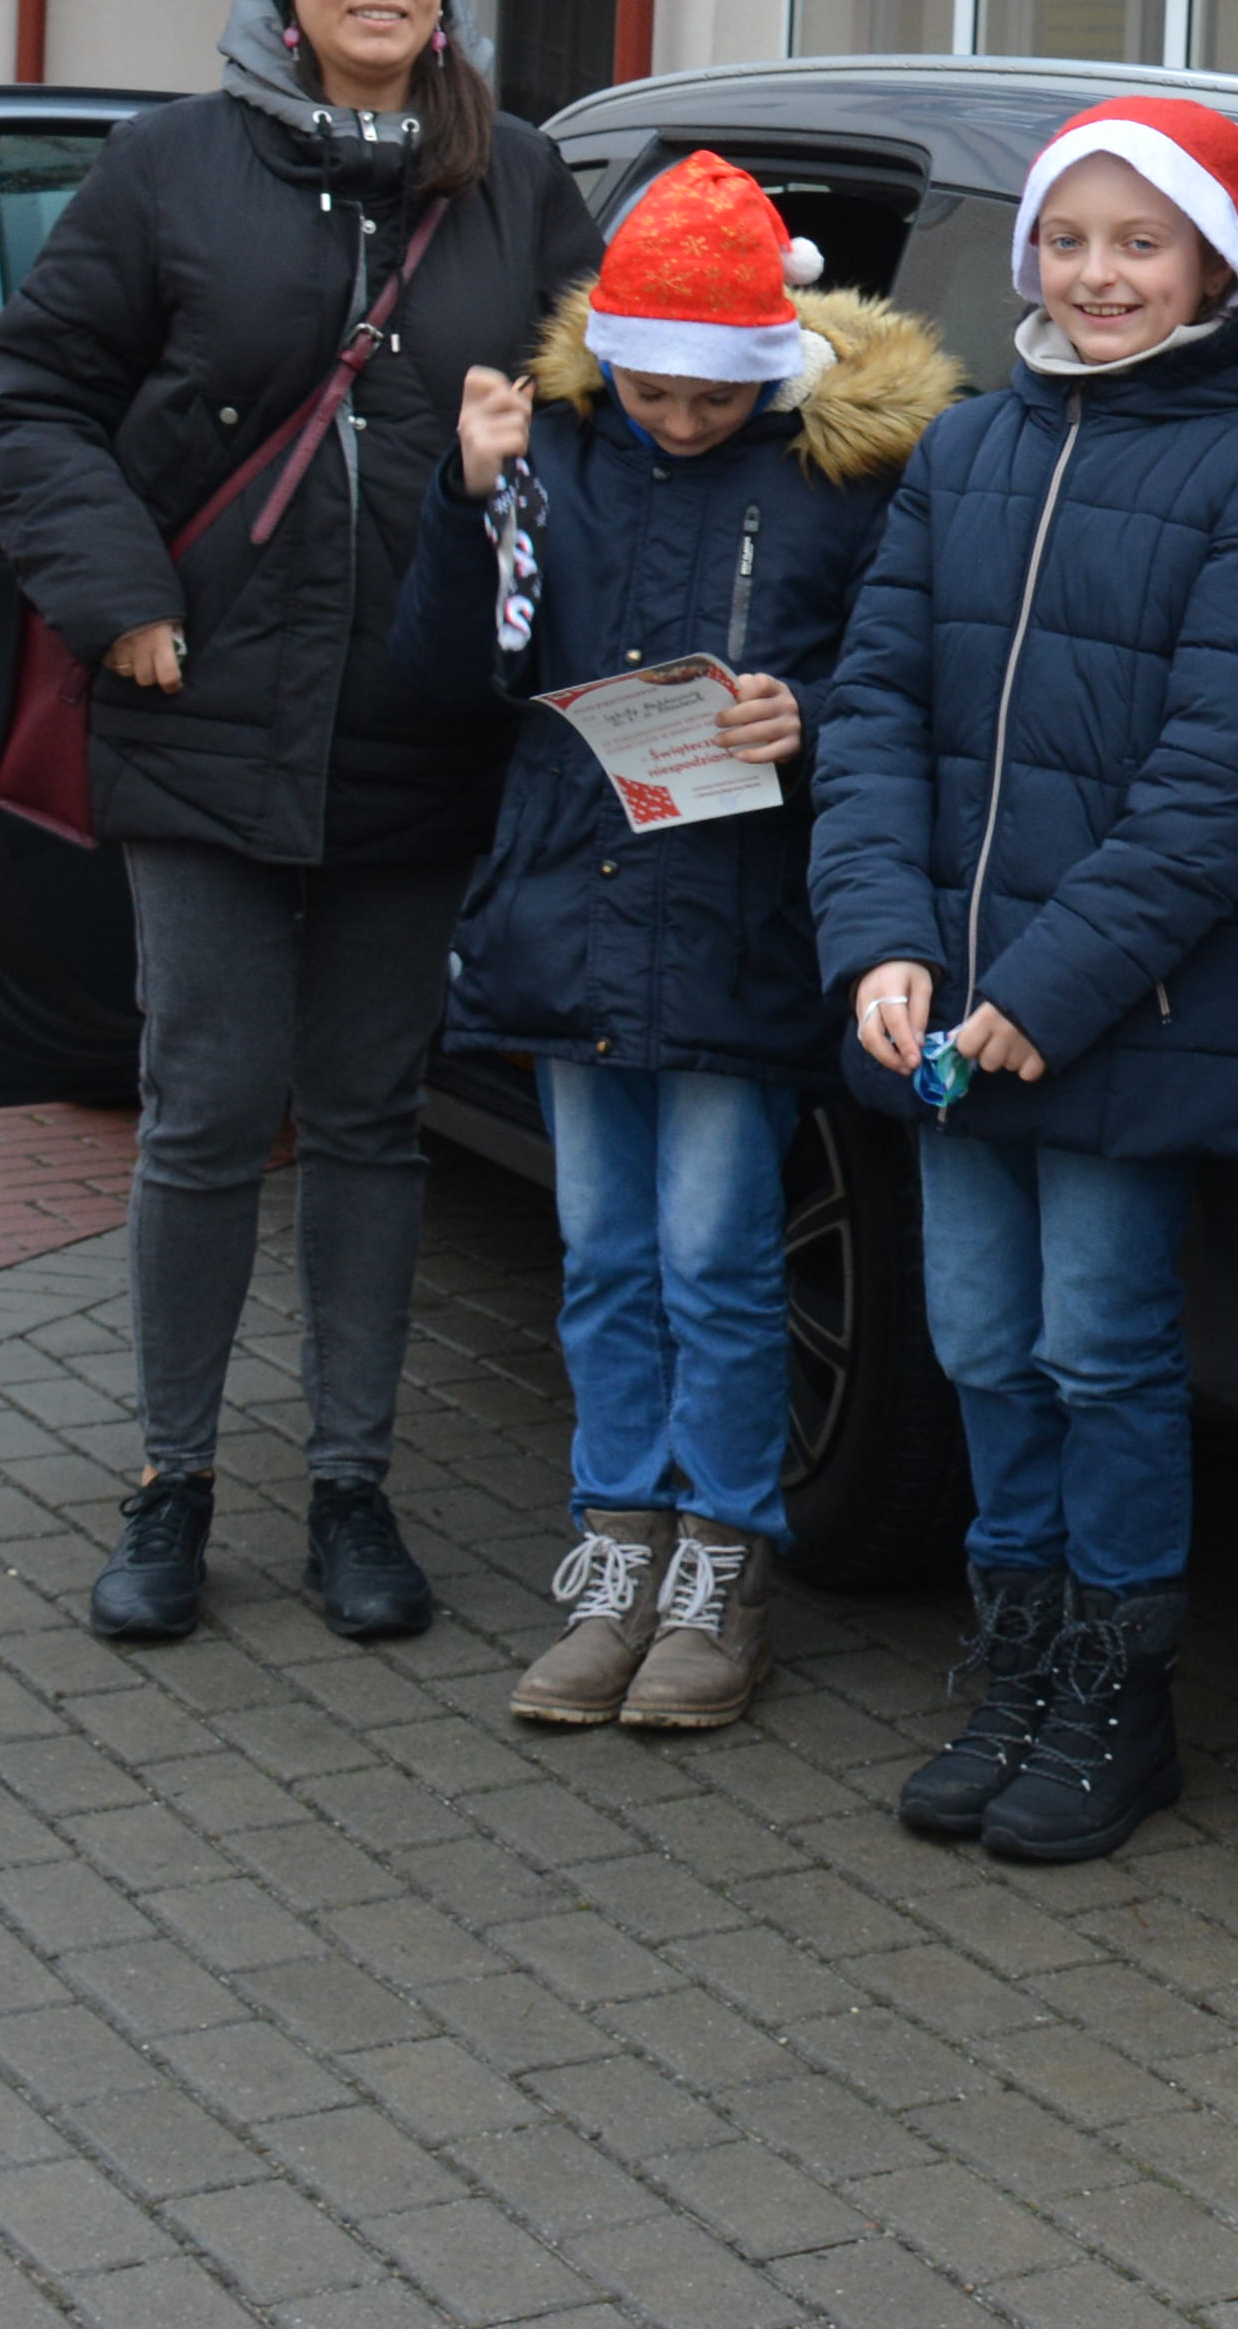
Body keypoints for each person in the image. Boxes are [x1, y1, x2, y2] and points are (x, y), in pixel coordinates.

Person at [0, 0, 590, 1649]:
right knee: (208, 1114)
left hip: (418, 724)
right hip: (204, 710)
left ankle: (351, 1489)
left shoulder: (522, 178)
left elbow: (625, 391)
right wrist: (120, 605)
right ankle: (170, 1489)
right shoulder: (168, 169)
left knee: (376, 1122)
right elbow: (25, 402)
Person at [812, 99, 1238, 1868]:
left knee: (1104, 1352)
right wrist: (880, 937)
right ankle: (1020, 1656)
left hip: (1119, 1021)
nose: (1095, 275)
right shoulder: (965, 452)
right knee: (978, 1344)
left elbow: (1220, 786)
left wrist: (1046, 986)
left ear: (1215, 264)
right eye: (1067, 238)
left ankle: (1122, 1692)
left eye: (1139, 242)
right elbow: (875, 705)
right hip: (950, 1016)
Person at [404, 151, 956, 1732]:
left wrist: (817, 716)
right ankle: (614, 1553)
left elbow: (907, 687)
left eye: (709, 396)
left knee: (717, 1264)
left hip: (737, 930)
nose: (677, 418)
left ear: (766, 370)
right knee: (605, 1262)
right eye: (647, 387)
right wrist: (466, 498)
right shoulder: (554, 450)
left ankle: (721, 1573)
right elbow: (453, 675)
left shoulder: (844, 479)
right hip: (573, 915)